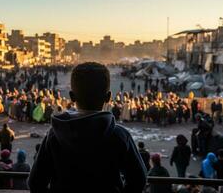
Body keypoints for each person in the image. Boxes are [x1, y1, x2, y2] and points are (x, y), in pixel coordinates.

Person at [28, 62, 147, 193]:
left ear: (72, 97)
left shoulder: (55, 134)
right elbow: (139, 180)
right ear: (108, 97)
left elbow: (35, 183)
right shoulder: (119, 135)